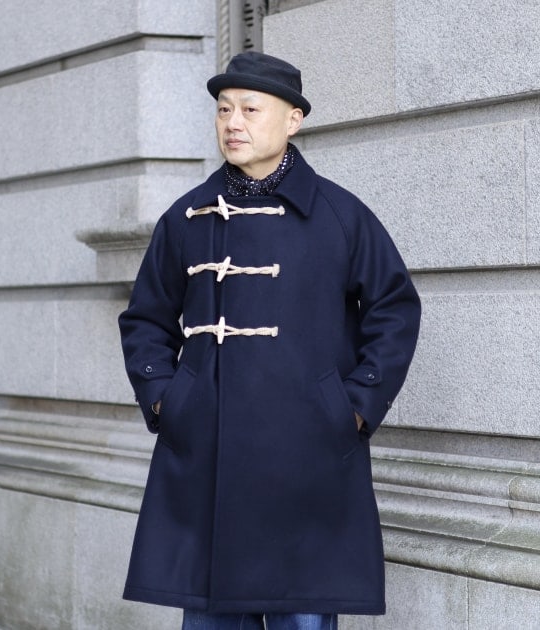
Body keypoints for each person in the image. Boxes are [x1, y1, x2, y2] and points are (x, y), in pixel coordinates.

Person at [118, 52, 421, 630]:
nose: (233, 122)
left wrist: (353, 407)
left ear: (293, 120)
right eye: (224, 109)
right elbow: (145, 320)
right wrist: (167, 400)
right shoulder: (185, 218)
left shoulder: (341, 215)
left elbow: (394, 308)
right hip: (208, 463)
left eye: (250, 109)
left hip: (307, 465)